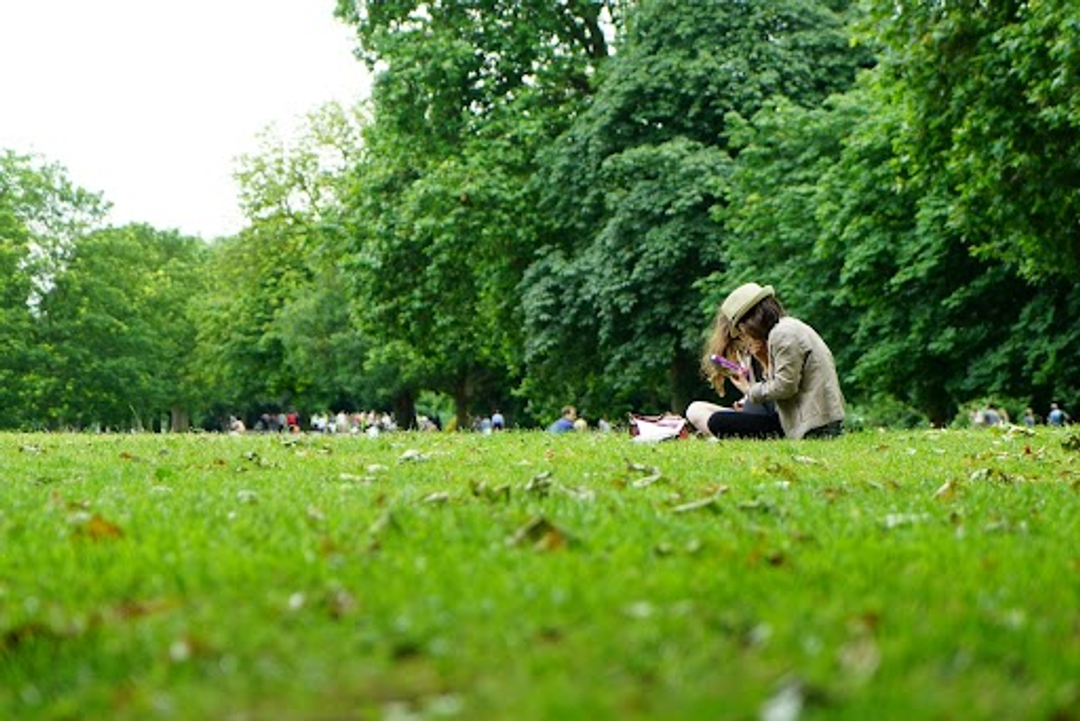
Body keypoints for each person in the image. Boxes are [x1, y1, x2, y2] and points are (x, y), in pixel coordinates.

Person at [687, 282, 845, 440]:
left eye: (740, 328)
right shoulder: (783, 330)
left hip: (814, 427)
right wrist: (762, 359)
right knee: (706, 413)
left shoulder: (783, 334)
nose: (743, 334)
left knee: (718, 421)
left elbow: (785, 388)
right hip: (802, 421)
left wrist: (749, 390)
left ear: (750, 320)